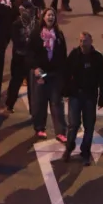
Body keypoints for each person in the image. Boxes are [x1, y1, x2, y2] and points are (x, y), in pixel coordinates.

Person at [62, 32, 103, 165]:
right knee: (73, 124)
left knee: (89, 126)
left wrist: (102, 97)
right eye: (81, 41)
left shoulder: (97, 57)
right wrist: (65, 92)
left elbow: (101, 78)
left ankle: (85, 152)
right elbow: (66, 74)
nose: (82, 44)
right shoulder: (74, 55)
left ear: (91, 41)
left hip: (90, 96)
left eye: (85, 41)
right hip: (75, 95)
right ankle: (69, 148)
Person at [29, 7, 67, 142]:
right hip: (41, 73)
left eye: (53, 15)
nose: (51, 17)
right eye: (48, 15)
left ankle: (61, 132)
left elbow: (63, 55)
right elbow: (30, 53)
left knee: (57, 103)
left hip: (55, 74)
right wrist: (35, 68)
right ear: (43, 17)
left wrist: (64, 74)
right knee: (40, 102)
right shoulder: (36, 34)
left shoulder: (59, 34)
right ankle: (40, 128)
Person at [4, 0, 39, 113]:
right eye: (28, 10)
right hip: (19, 58)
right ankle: (10, 104)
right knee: (16, 82)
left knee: (32, 85)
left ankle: (33, 109)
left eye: (32, 10)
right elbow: (16, 41)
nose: (31, 12)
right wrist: (29, 42)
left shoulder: (36, 23)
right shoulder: (16, 24)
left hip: (31, 59)